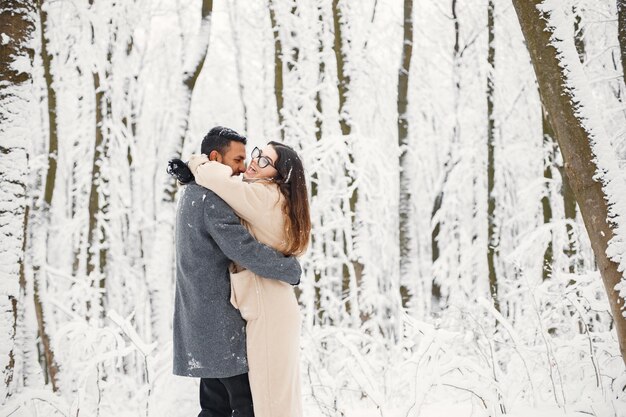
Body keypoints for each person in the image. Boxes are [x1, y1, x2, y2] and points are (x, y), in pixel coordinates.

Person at [170, 126, 302, 417]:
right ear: (215, 158)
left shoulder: (193, 193)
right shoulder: (211, 199)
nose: (243, 168)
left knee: (215, 407)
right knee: (246, 406)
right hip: (221, 322)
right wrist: (288, 268)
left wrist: (191, 172)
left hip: (202, 320)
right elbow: (243, 248)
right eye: (239, 160)